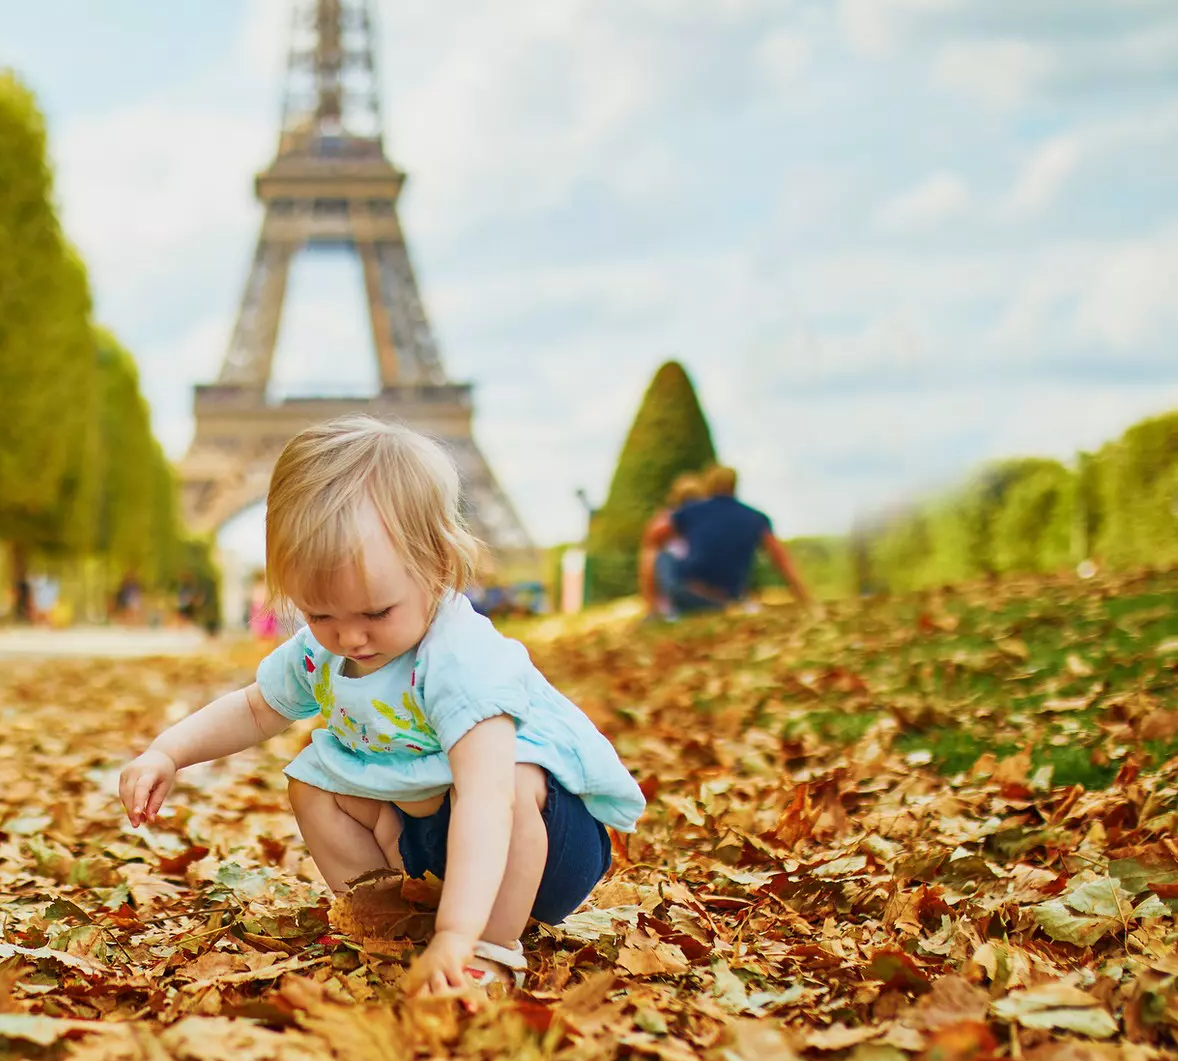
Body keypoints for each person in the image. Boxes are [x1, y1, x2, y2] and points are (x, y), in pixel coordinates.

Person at [117, 416, 644, 994]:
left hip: (542, 845)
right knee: (312, 782)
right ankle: (385, 913)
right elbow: (254, 709)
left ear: (438, 568)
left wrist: (458, 932)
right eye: (321, 615)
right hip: (430, 839)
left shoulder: (461, 659)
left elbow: (486, 803)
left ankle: (487, 949)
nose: (350, 638)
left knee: (515, 779)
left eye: (375, 614)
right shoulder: (324, 651)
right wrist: (168, 753)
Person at [639, 466, 812, 619]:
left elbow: (653, 537)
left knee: (661, 554)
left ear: (708, 486)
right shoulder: (755, 518)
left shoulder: (692, 511)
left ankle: (653, 612)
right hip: (729, 599)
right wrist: (805, 598)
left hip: (687, 595)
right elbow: (781, 560)